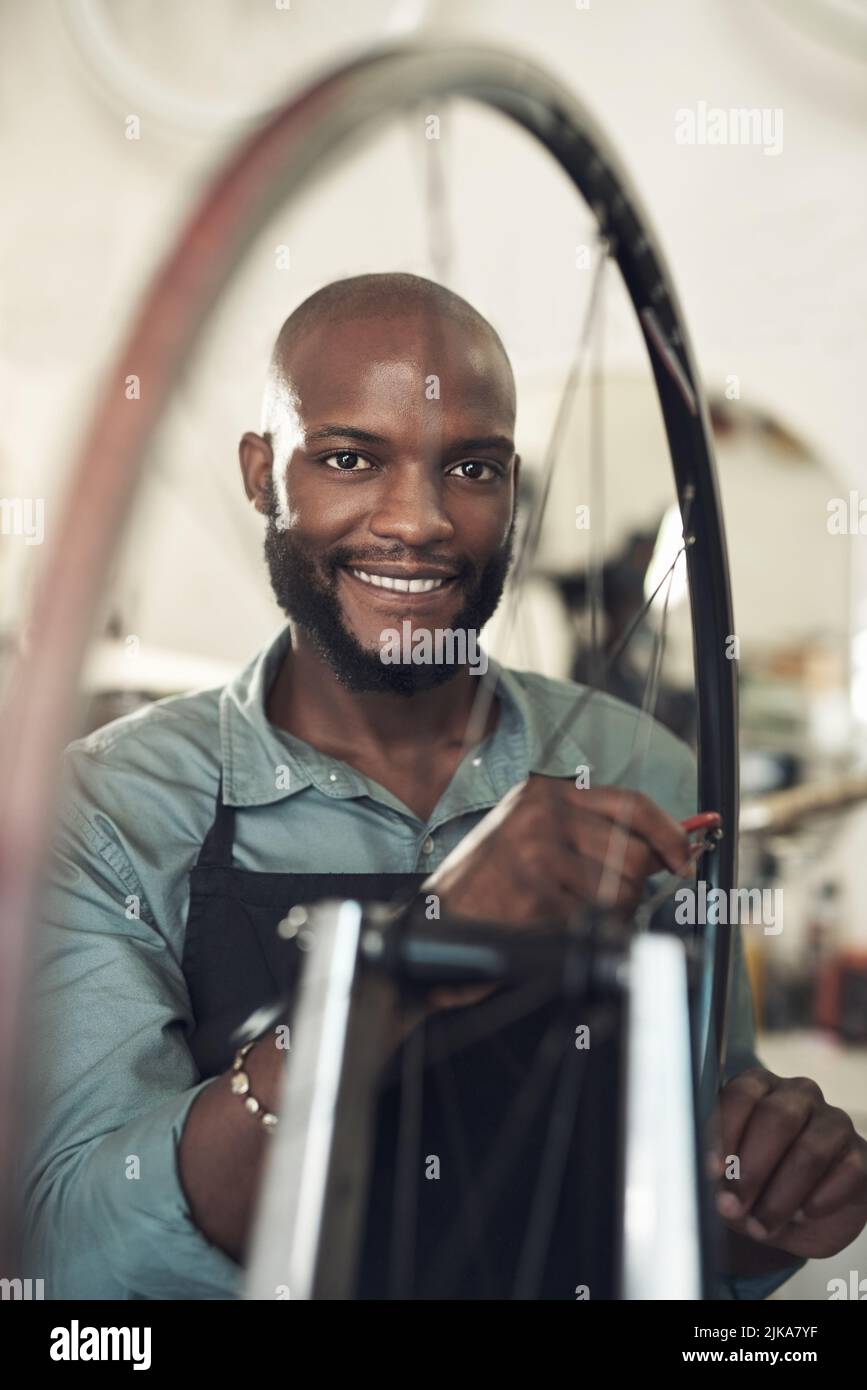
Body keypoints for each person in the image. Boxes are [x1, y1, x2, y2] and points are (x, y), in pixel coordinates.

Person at [19, 274, 867, 1299]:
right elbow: (78, 1252)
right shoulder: (113, 810)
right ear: (260, 474)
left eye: (470, 466)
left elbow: (690, 1209)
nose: (417, 520)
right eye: (347, 458)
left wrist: (765, 1206)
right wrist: (414, 951)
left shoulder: (641, 765)